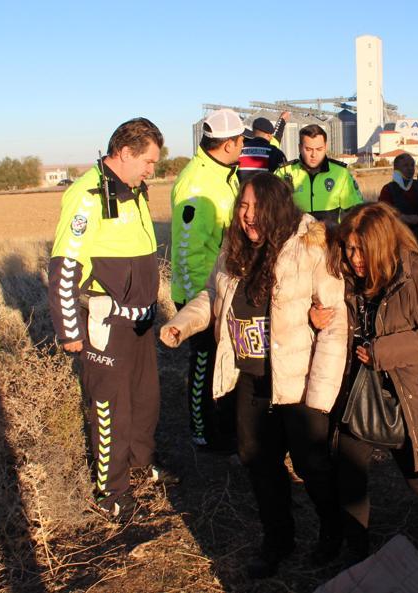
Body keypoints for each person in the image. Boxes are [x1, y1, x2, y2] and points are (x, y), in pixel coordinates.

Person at [161, 173, 347, 578]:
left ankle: (334, 533)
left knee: (312, 463)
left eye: (255, 207)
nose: (247, 216)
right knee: (258, 461)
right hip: (250, 376)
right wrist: (182, 323)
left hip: (298, 380)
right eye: (242, 206)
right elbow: (212, 294)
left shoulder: (311, 245)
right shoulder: (234, 245)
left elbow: (334, 322)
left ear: (277, 208)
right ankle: (278, 540)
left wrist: (321, 392)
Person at [311, 202, 418, 563]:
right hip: (356, 389)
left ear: (383, 245)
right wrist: (316, 317)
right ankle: (358, 556)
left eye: (362, 250)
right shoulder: (341, 276)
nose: (354, 258)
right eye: (349, 248)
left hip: (410, 396)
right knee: (349, 476)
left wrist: (385, 351)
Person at [48, 118, 177, 522]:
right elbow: (65, 266)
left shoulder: (132, 190)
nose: (151, 170)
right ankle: (112, 491)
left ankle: (140, 466)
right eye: (149, 162)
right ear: (124, 153)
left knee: (145, 400)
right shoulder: (86, 196)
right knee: (111, 409)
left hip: (140, 323)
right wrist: (69, 329)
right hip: (105, 325)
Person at [170, 108, 246, 452]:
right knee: (204, 360)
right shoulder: (197, 184)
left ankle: (224, 426)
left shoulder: (222, 173)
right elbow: (189, 253)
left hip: (222, 288)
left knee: (223, 358)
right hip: (202, 293)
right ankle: (204, 433)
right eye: (241, 139)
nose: (244, 144)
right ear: (228, 144)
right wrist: (202, 303)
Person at [275, 124, 363, 224]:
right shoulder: (284, 173)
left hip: (330, 237)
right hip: (294, 238)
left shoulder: (340, 173)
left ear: (325, 147)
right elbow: (271, 210)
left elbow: (356, 212)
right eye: (308, 149)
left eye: (319, 149)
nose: (313, 155)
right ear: (300, 148)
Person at [378, 153, 418, 246]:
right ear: (396, 169)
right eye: (406, 165)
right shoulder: (388, 189)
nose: (410, 168)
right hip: (397, 237)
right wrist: (404, 218)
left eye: (412, 165)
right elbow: (383, 213)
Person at [237, 111, 290, 181]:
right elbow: (284, 178)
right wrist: (282, 119)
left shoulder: (238, 151)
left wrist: (282, 120)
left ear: (253, 131)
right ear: (269, 135)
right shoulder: (276, 153)